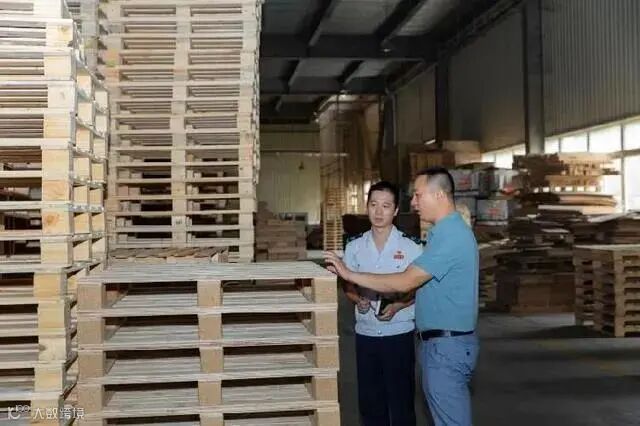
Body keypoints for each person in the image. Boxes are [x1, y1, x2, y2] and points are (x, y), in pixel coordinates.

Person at [325, 167, 479, 426]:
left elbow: (406, 281)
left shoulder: (449, 237)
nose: (414, 202)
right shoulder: (442, 234)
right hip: (435, 344)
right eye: (373, 204)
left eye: (418, 195)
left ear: (439, 195)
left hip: (445, 346)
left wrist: (349, 274)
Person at [343, 181, 423, 426]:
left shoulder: (411, 247)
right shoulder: (354, 246)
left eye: (386, 206)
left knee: (401, 404)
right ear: (366, 207)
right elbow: (348, 286)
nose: (379, 212)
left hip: (399, 334)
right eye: (374, 204)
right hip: (366, 335)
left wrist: (398, 306)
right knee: (370, 404)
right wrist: (358, 300)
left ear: (396, 210)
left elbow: (420, 288)